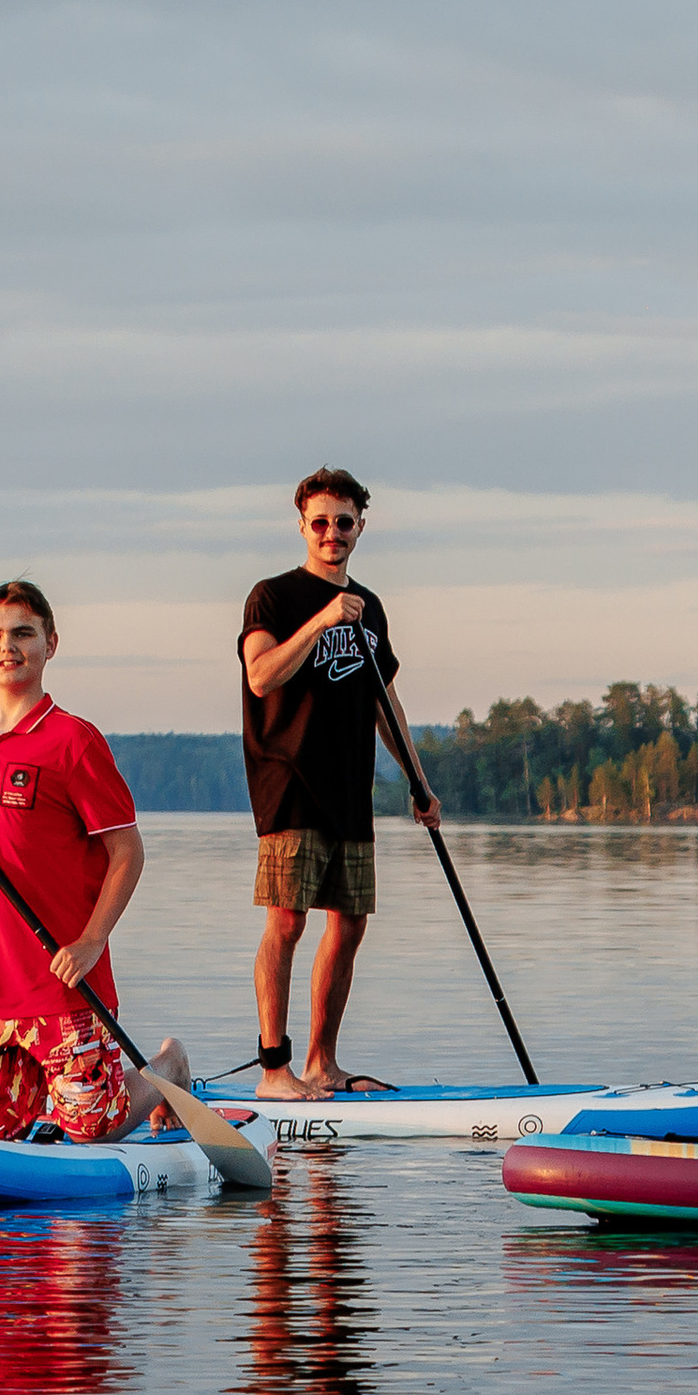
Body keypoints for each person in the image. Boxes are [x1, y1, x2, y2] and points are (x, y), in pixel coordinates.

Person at [0, 581, 188, 1143]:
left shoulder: (74, 741)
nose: (8, 647)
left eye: (23, 633)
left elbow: (127, 852)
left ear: (50, 643)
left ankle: (168, 1069)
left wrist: (92, 940)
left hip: (61, 980)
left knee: (93, 1129)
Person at [238, 466, 441, 1100]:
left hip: (351, 788)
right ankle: (275, 1069)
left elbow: (385, 703)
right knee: (288, 922)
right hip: (289, 782)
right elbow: (262, 676)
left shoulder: (370, 608)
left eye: (344, 522)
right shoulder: (272, 596)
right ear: (301, 525)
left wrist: (419, 781)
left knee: (350, 924)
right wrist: (324, 621)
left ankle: (323, 1066)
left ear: (361, 527)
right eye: (320, 522)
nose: (332, 532)